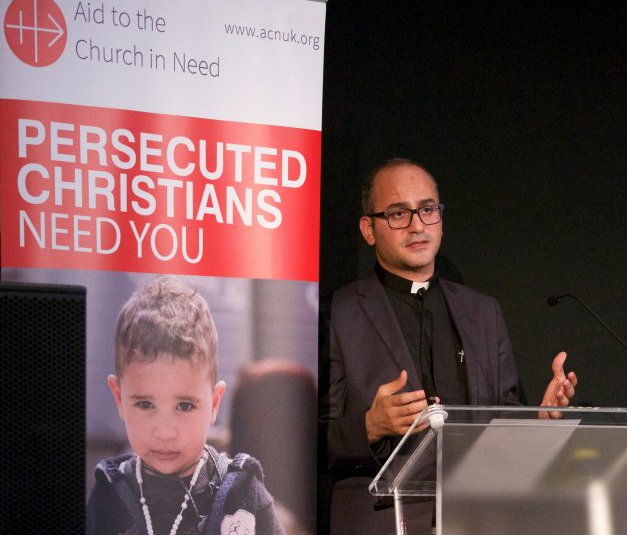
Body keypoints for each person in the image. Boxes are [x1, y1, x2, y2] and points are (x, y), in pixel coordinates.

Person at [319, 158, 577, 535]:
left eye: (427, 210)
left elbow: (500, 419)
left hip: (477, 517)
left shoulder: (483, 311)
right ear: (368, 229)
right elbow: (305, 439)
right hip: (380, 520)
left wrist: (539, 419)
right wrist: (369, 427)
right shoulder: (338, 312)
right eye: (397, 214)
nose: (417, 225)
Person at [87, 276, 285, 535]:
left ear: (214, 403)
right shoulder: (110, 492)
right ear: (119, 398)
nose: (165, 431)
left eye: (184, 406)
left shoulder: (242, 493)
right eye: (145, 404)